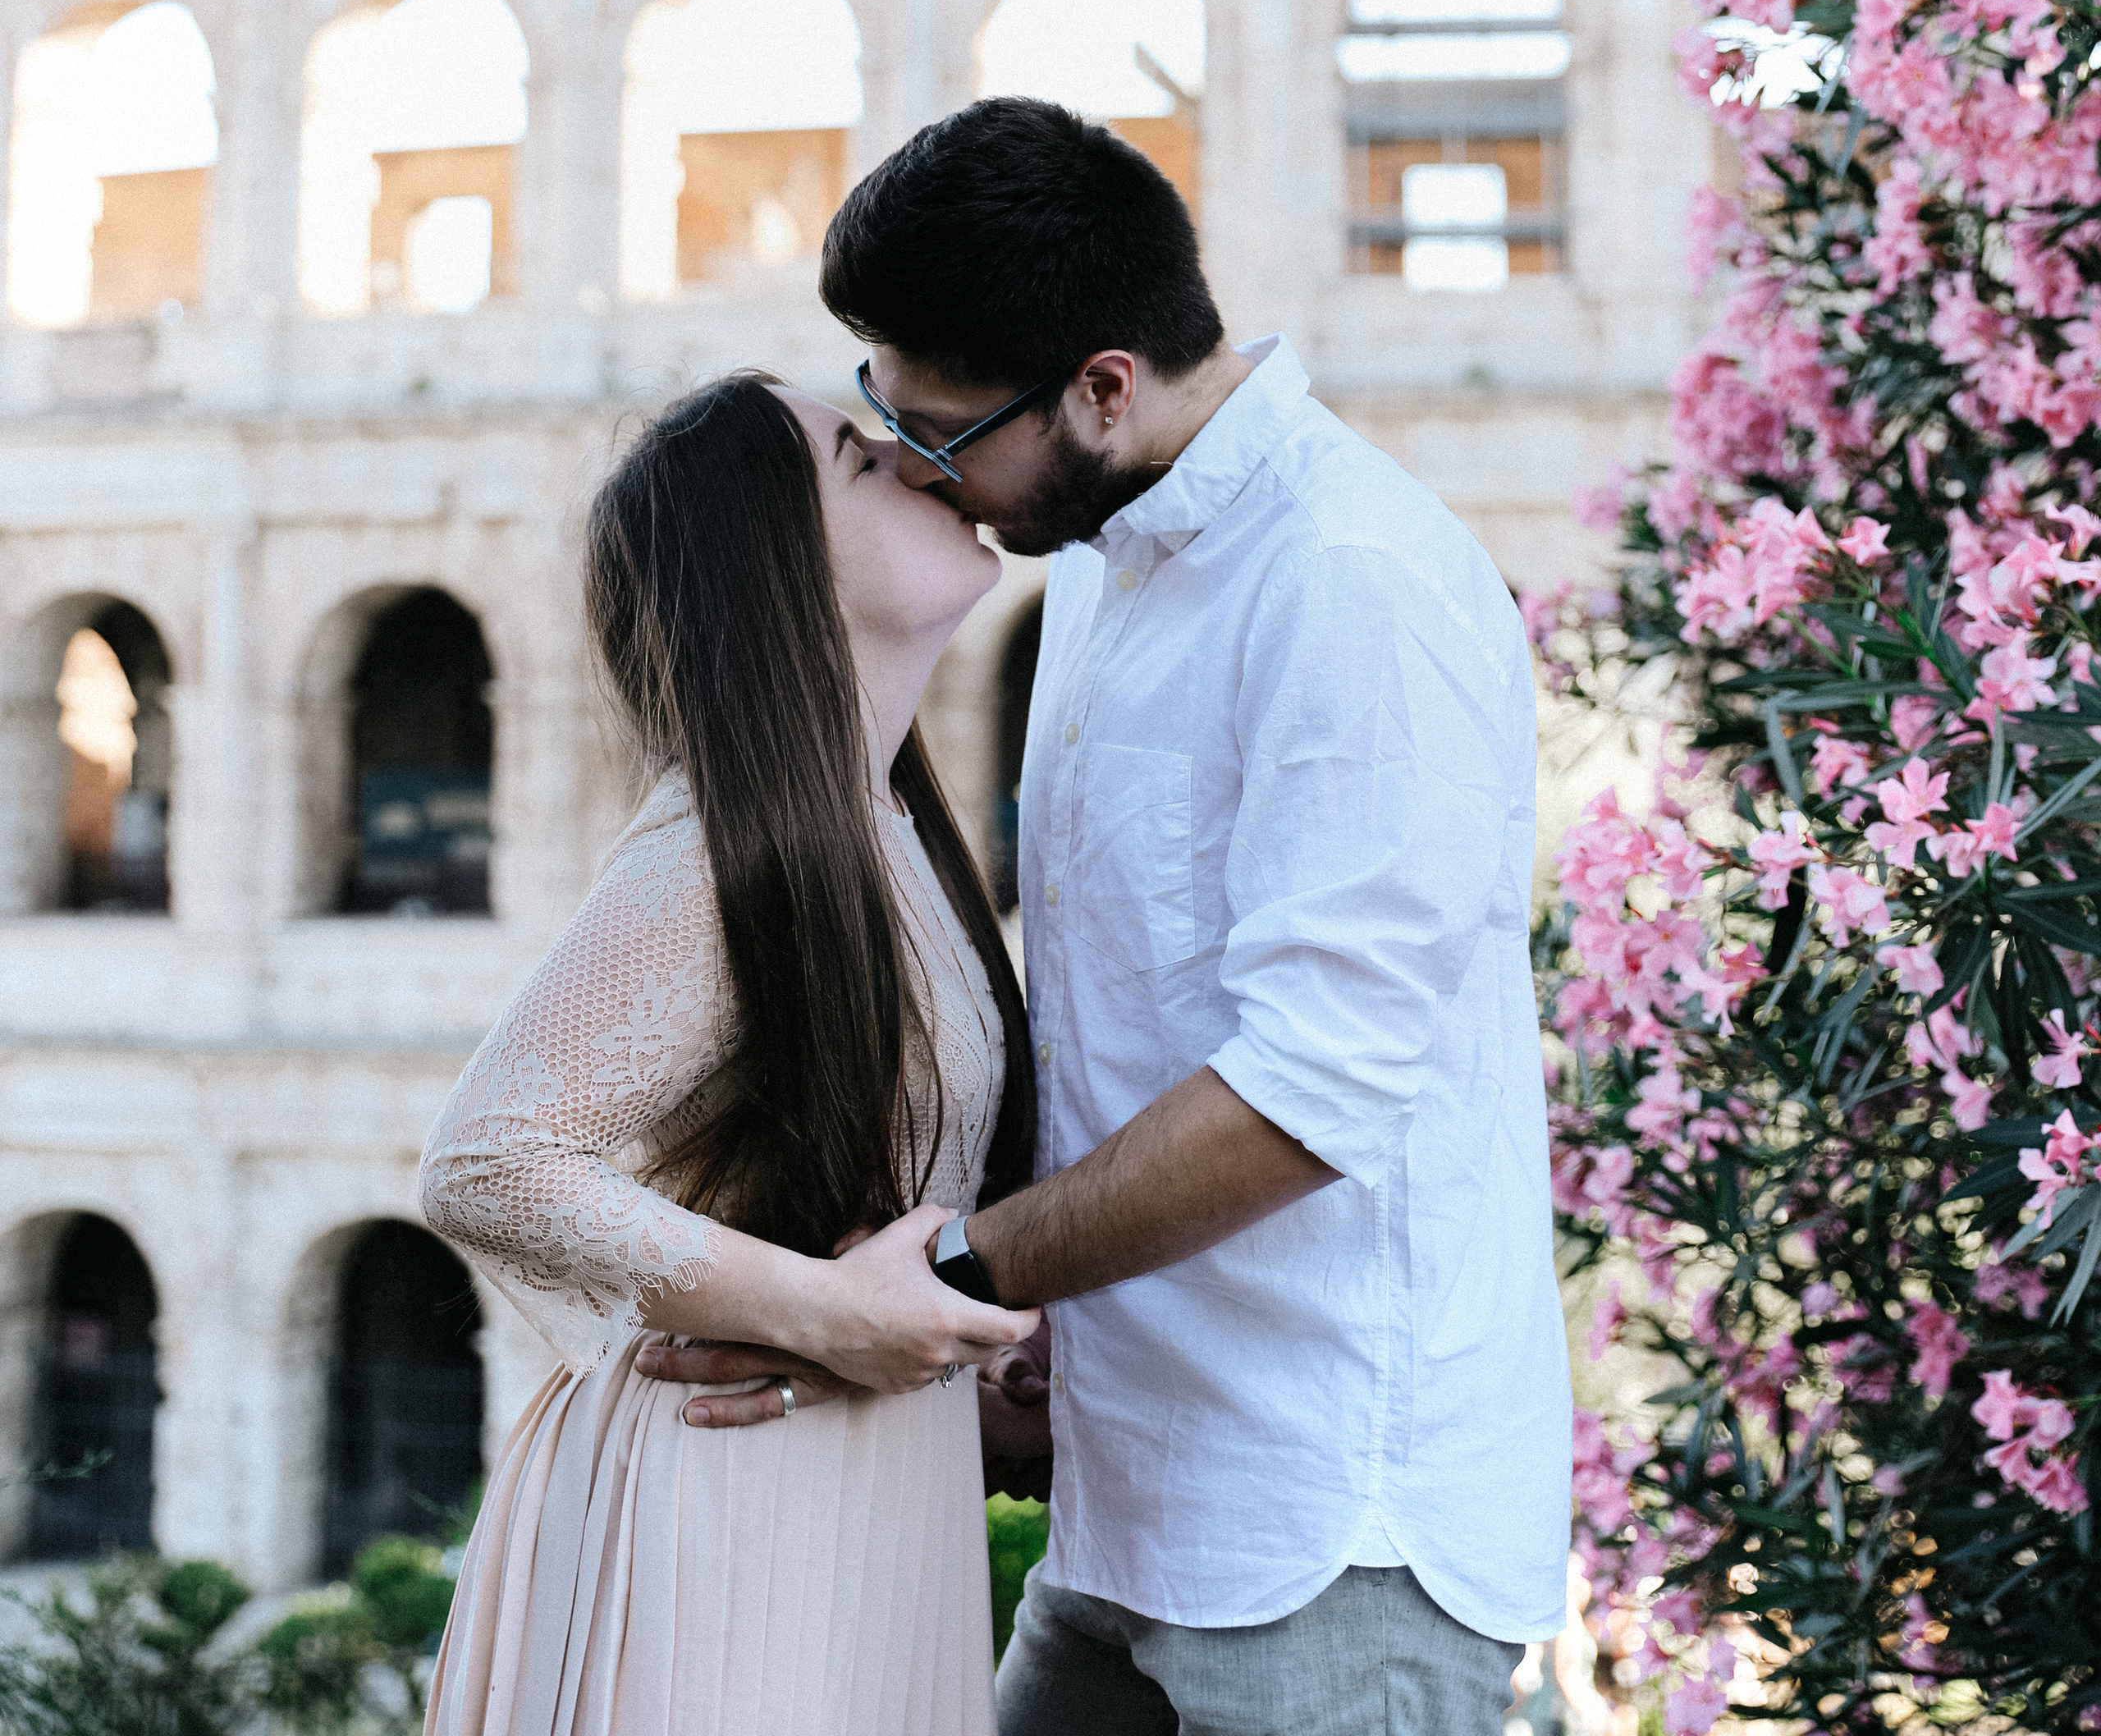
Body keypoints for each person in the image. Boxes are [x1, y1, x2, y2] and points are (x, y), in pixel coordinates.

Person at [642, 98, 1572, 1735]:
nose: (917, 464)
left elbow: (1307, 1096)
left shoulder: (1348, 580)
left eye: (941, 427)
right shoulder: (1097, 560)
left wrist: (926, 1286)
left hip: (1323, 1528)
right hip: (1134, 1493)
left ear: (1101, 388)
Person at [416, 370, 1042, 1736]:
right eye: (860, 458)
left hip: (853, 1499)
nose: (920, 459)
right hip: (737, 1510)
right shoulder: (721, 840)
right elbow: (488, 1159)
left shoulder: (891, 832)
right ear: (779, 570)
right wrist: (828, 1316)